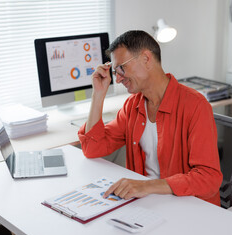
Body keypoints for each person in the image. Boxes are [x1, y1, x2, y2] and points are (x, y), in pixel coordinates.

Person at [78, 30, 223, 206]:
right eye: (115, 71)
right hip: (147, 202)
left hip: (187, 205)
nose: (117, 78)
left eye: (121, 68)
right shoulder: (132, 106)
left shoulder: (195, 106)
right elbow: (92, 148)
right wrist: (98, 94)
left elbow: (209, 178)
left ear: (146, 59)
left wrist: (148, 186)